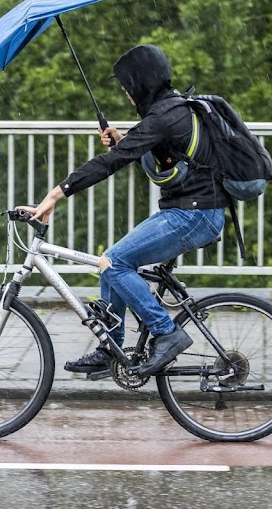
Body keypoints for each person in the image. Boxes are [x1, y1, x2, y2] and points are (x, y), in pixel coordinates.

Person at [21, 44, 228, 377]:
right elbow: (151, 151)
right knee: (112, 260)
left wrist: (55, 193)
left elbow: (110, 163)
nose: (128, 96)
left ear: (142, 84)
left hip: (195, 214)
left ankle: (166, 333)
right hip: (188, 210)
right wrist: (123, 138)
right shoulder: (169, 111)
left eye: (128, 89)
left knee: (114, 263)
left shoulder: (162, 116)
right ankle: (111, 350)